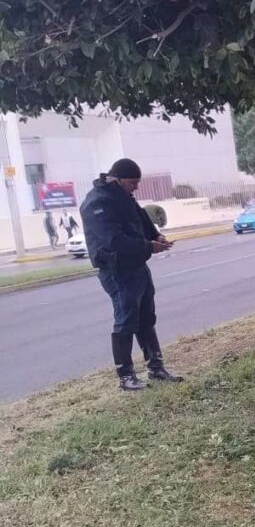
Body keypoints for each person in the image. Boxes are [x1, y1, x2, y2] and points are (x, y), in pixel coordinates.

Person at [80, 158, 183, 392]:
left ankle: (156, 368)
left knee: (147, 317)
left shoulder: (123, 196)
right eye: (132, 183)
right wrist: (148, 247)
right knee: (126, 319)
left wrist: (155, 237)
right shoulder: (97, 203)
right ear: (117, 179)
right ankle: (126, 376)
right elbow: (114, 240)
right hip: (116, 270)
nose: (136, 187)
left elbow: (141, 220)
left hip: (137, 265)